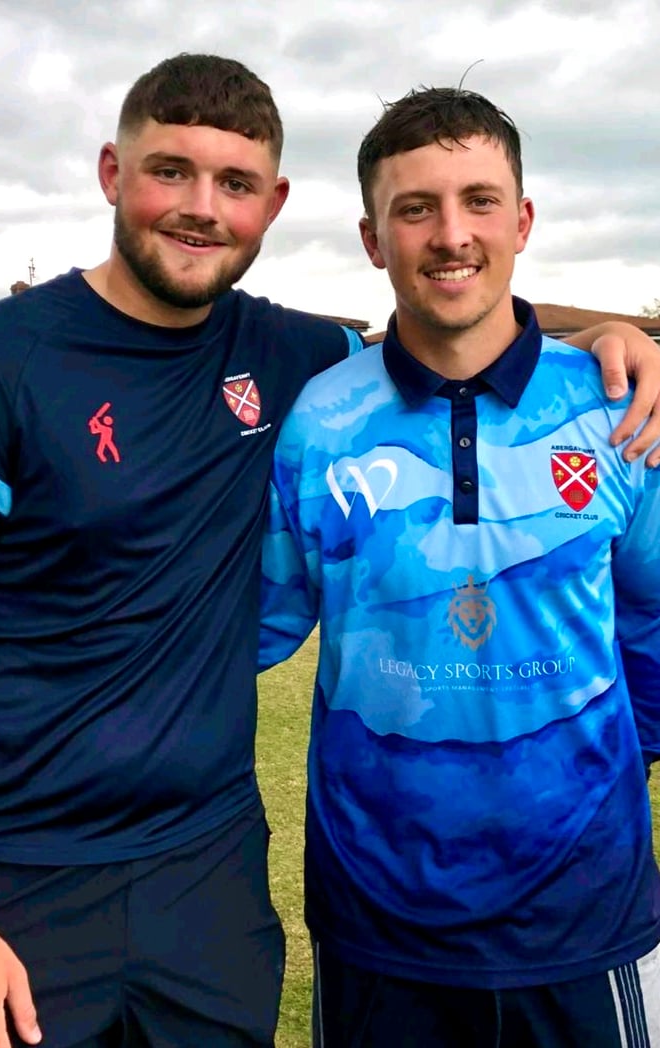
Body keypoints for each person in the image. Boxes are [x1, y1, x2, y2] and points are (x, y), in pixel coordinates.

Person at [0, 54, 657, 1048]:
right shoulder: (11, 365)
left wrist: (620, 332)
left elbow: (455, 320)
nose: (199, 207)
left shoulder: (576, 407)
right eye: (168, 170)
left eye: (234, 183)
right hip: (91, 882)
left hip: (319, 892)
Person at [259, 87, 660, 1047]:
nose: (451, 235)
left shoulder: (616, 407)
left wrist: (588, 785)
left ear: (521, 221)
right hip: (375, 919)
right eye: (415, 207)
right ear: (372, 237)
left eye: (480, 201)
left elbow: (652, 621)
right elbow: (249, 630)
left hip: (584, 917)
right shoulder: (320, 419)